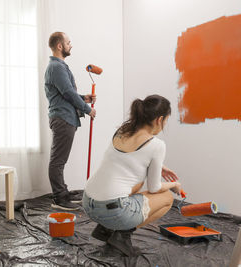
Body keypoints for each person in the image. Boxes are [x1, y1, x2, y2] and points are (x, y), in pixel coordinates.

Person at [82, 94, 181, 256]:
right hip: (112, 211)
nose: (164, 125)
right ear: (159, 119)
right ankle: (122, 235)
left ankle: (105, 229)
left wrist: (159, 166)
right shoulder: (157, 145)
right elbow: (154, 188)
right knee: (167, 198)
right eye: (166, 121)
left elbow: (124, 160)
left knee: (135, 184)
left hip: (87, 202)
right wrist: (174, 185)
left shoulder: (122, 131)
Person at [44, 32, 96, 210]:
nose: (70, 45)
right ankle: (60, 199)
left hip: (66, 117)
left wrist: (84, 98)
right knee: (58, 161)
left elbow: (65, 93)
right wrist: (87, 109)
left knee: (59, 160)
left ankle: (63, 194)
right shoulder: (56, 67)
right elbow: (67, 93)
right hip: (63, 118)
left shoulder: (59, 66)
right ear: (60, 46)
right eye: (68, 42)